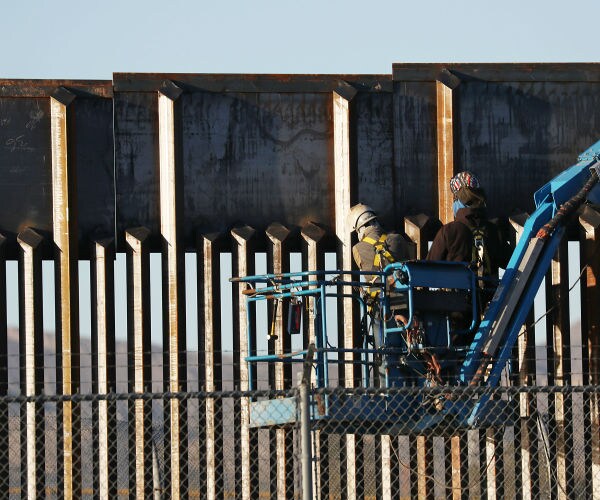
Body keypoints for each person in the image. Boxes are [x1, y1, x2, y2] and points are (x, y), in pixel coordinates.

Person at [428, 170, 511, 310]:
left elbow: (428, 270)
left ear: (457, 201)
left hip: (456, 310)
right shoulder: (494, 230)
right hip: (491, 308)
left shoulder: (449, 231)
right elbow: (510, 262)